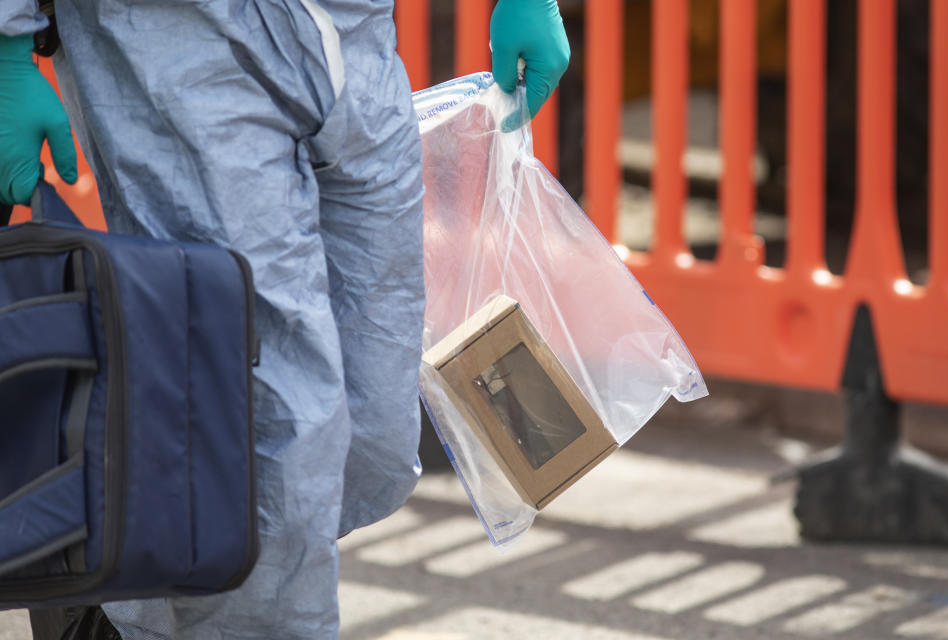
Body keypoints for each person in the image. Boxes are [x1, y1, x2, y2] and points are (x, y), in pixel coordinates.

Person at [0, 0, 569, 637]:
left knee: (372, 443)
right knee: (270, 445)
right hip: (172, 42)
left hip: (354, 34)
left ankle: (113, 581)